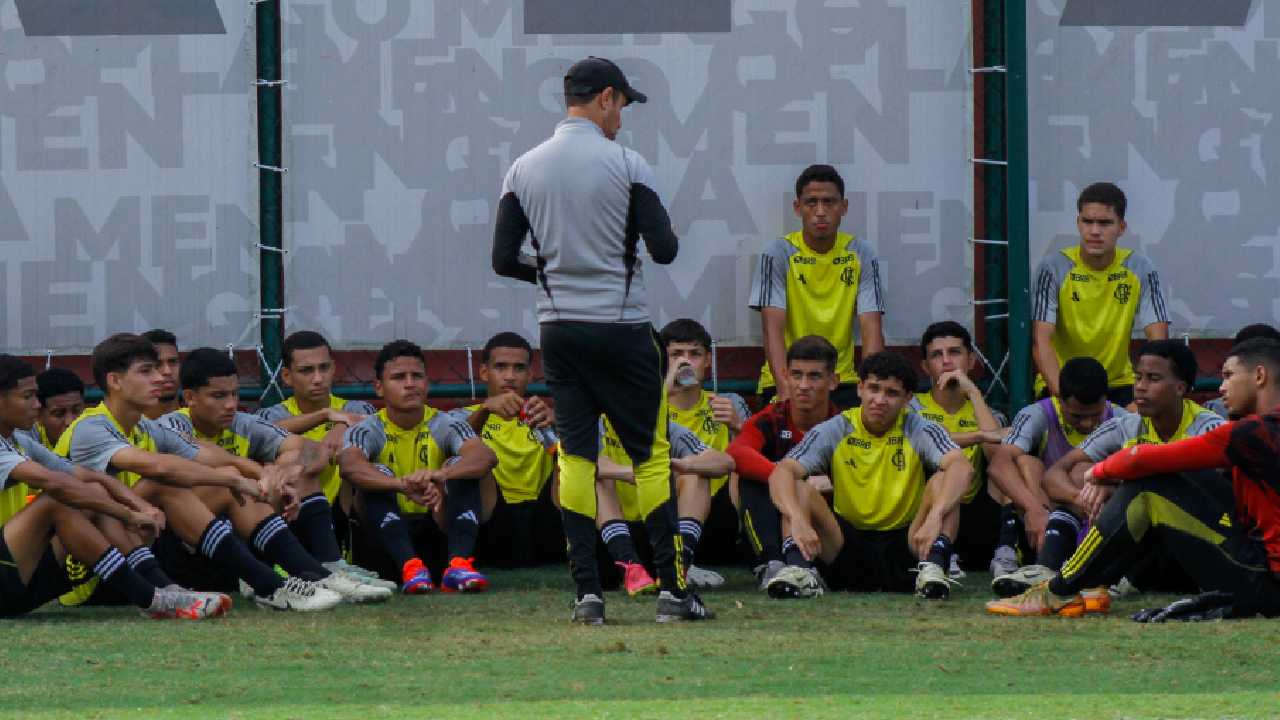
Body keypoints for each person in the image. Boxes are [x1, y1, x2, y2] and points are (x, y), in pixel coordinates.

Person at [492, 56, 709, 624]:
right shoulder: (628, 163)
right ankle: (673, 593)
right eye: (623, 106)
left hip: (559, 331)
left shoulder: (523, 167)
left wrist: (548, 273)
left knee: (578, 459)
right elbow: (664, 250)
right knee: (652, 457)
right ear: (607, 98)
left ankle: (588, 597)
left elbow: (501, 258)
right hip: (624, 328)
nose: (623, 119)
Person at [987, 337, 1280, 619]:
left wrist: (1100, 473)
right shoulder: (1254, 431)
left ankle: (1058, 589)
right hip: (1252, 563)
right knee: (1148, 478)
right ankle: (1087, 583)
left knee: (1145, 485)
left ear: (1259, 376)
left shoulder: (1254, 432)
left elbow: (1142, 459)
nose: (1222, 386)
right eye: (1139, 377)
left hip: (1263, 580)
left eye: (1229, 376)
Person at [56, 334, 344, 612]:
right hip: (92, 568)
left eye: (158, 369)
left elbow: (208, 456)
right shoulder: (91, 427)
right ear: (115, 380)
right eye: (146, 371)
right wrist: (235, 480)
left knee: (225, 477)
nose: (160, 378)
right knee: (169, 483)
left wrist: (265, 477)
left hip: (142, 541)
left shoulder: (146, 426)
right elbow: (159, 467)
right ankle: (270, 583)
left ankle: (308, 577)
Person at [0, 354, 228, 620]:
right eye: (27, 397)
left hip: (19, 575)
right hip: (11, 574)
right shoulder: (91, 427)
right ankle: (152, 597)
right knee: (59, 500)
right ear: (115, 381)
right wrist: (128, 515)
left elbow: (88, 477)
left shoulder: (18, 441)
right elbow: (57, 483)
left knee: (92, 492)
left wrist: (136, 506)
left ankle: (164, 590)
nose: (37, 405)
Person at [160, 348, 392, 597]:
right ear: (190, 397)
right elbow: (199, 453)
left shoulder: (242, 422)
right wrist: (261, 472)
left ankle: (328, 568)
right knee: (231, 479)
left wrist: (283, 473)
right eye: (218, 396)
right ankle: (295, 575)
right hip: (174, 538)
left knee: (294, 472)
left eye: (234, 394)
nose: (230, 404)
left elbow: (303, 447)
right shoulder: (171, 423)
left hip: (239, 528)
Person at [767, 351, 973, 600]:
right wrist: (797, 517)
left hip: (907, 546)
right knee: (798, 488)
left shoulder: (918, 426)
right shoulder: (838, 427)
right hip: (846, 546)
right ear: (860, 388)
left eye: (891, 393)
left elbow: (963, 467)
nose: (880, 400)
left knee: (944, 480)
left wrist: (936, 516)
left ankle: (933, 568)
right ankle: (799, 572)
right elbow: (782, 472)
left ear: (908, 398)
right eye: (874, 389)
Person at [338, 340, 497, 594]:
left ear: (427, 383)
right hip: (383, 541)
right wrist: (401, 485)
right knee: (374, 473)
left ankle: (458, 564)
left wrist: (442, 475)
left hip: (436, 531)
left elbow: (484, 457)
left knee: (463, 466)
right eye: (399, 377)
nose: (410, 383)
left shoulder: (445, 423)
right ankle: (409, 565)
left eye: (417, 376)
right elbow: (349, 466)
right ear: (379, 387)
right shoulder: (366, 429)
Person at [747, 164, 885, 408]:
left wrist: (872, 388)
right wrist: (784, 388)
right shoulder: (778, 253)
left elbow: (871, 328)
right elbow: (772, 330)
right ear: (797, 208)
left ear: (844, 207)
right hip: (789, 379)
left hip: (840, 380)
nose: (820, 212)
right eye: (812, 202)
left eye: (829, 202)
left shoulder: (861, 253)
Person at [1032, 182, 1169, 406]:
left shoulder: (1140, 268)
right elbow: (1041, 340)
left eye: (1105, 223)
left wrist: (1143, 396)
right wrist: (1064, 395)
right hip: (1063, 386)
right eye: (1087, 222)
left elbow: (1159, 342)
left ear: (1122, 227)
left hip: (1118, 385)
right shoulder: (1054, 267)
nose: (1095, 231)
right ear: (1078, 223)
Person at [727, 335, 841, 596]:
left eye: (814, 376)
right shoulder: (772, 417)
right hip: (775, 523)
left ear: (833, 381)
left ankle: (805, 568)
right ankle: (772, 565)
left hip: (826, 532)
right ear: (785, 376)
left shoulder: (844, 424)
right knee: (746, 476)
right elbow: (738, 452)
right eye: (797, 375)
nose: (803, 385)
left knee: (796, 487)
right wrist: (784, 480)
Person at [908, 322, 1009, 579]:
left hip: (975, 512)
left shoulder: (988, 412)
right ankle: (940, 554)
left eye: (954, 352)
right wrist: (978, 435)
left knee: (1007, 467)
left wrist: (973, 393)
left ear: (971, 360)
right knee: (945, 476)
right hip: (926, 507)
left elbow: (997, 459)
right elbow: (918, 444)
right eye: (936, 355)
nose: (946, 361)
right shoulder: (912, 408)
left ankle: (1006, 554)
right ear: (925, 366)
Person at [594, 411, 734, 596]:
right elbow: (579, 463)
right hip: (608, 546)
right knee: (595, 476)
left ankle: (680, 562)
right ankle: (628, 564)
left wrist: (686, 464)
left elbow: (726, 462)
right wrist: (630, 473)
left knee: (696, 473)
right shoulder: (594, 425)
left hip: (658, 538)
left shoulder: (664, 428)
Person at [456, 332, 564, 568]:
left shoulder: (544, 415)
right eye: (501, 367)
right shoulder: (463, 416)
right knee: (469, 463)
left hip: (546, 517)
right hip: (492, 520)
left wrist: (558, 422)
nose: (510, 377)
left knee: (572, 458)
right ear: (484, 372)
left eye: (519, 368)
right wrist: (485, 410)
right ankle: (460, 561)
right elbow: (452, 446)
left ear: (530, 374)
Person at [659, 319, 751, 586]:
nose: (685, 363)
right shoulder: (649, 404)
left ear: (708, 360)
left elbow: (756, 460)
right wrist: (664, 391)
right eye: (676, 355)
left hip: (719, 513)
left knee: (733, 470)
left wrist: (738, 427)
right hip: (663, 507)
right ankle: (683, 565)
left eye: (694, 354)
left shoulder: (729, 402)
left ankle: (759, 557)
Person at [257, 331, 377, 511]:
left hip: (347, 505)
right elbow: (263, 432)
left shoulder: (357, 409)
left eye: (324, 368)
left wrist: (343, 427)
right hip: (291, 507)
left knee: (354, 455)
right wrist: (324, 415)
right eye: (306, 370)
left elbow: (370, 422)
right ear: (287, 376)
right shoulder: (271, 416)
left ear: (334, 368)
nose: (318, 379)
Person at [1206, 324, 1280, 418]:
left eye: (1229, 375)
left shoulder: (1216, 411)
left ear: (1259, 375)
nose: (1221, 388)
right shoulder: (1213, 411)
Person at [33, 368, 85, 449]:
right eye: (59, 414)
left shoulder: (101, 431)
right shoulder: (25, 441)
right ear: (38, 416)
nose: (70, 422)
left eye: (76, 411)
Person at [141, 329, 181, 419]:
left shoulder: (200, 421)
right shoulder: (120, 427)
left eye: (173, 362)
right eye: (157, 364)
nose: (167, 371)